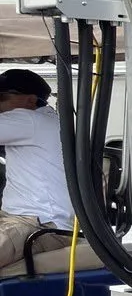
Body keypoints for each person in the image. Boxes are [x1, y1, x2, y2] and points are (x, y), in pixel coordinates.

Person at [0, 68, 76, 271]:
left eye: (2, 98)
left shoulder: (30, 120)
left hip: (41, 226)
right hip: (24, 220)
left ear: (31, 101)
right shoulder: (46, 122)